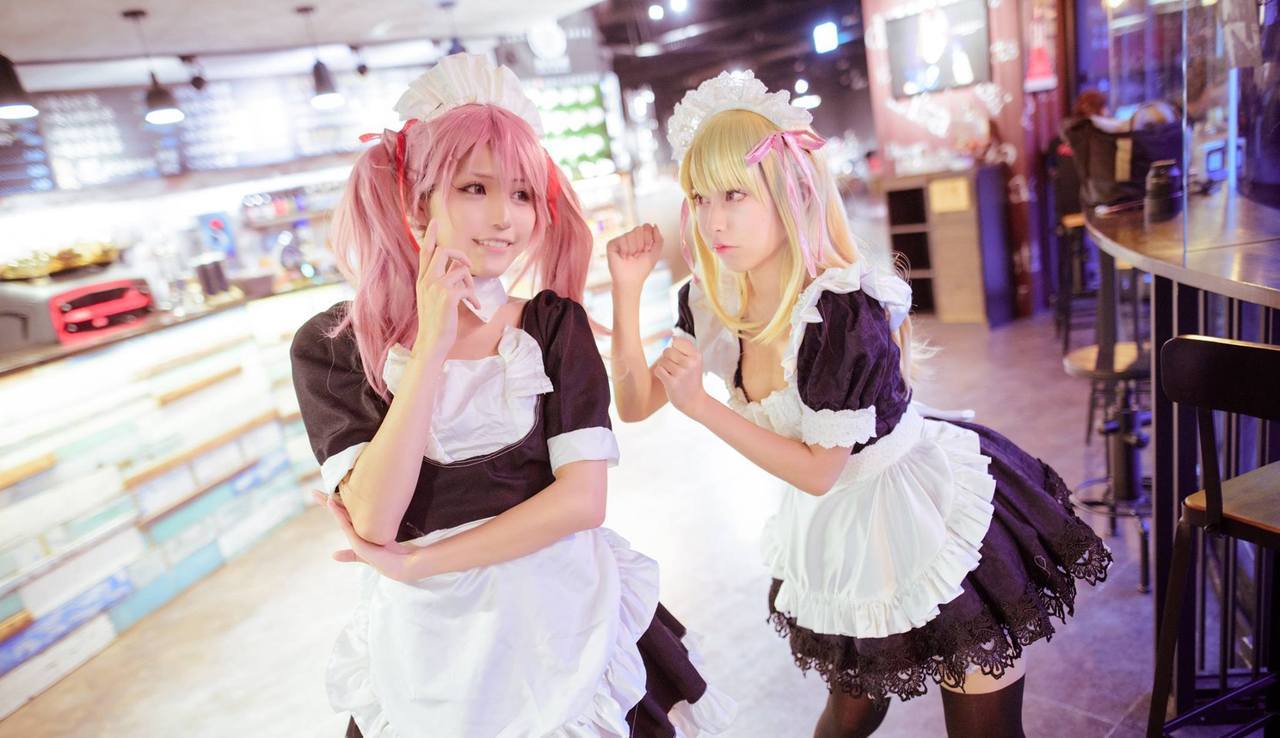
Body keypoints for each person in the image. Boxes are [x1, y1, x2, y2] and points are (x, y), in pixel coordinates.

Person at [607, 71, 1112, 737]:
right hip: (841, 531)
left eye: (734, 193)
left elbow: (821, 468)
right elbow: (636, 404)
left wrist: (702, 407)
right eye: (700, 197)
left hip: (924, 513)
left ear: (790, 193)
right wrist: (625, 291)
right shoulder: (712, 299)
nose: (714, 219)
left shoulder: (839, 308)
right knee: (848, 716)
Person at [290, 53, 734, 738]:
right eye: (476, 187)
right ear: (417, 201)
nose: (505, 217)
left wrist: (420, 560)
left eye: (524, 194)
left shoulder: (553, 326)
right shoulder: (335, 346)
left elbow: (582, 502)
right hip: (430, 655)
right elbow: (375, 518)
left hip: (568, 627)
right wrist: (432, 345)